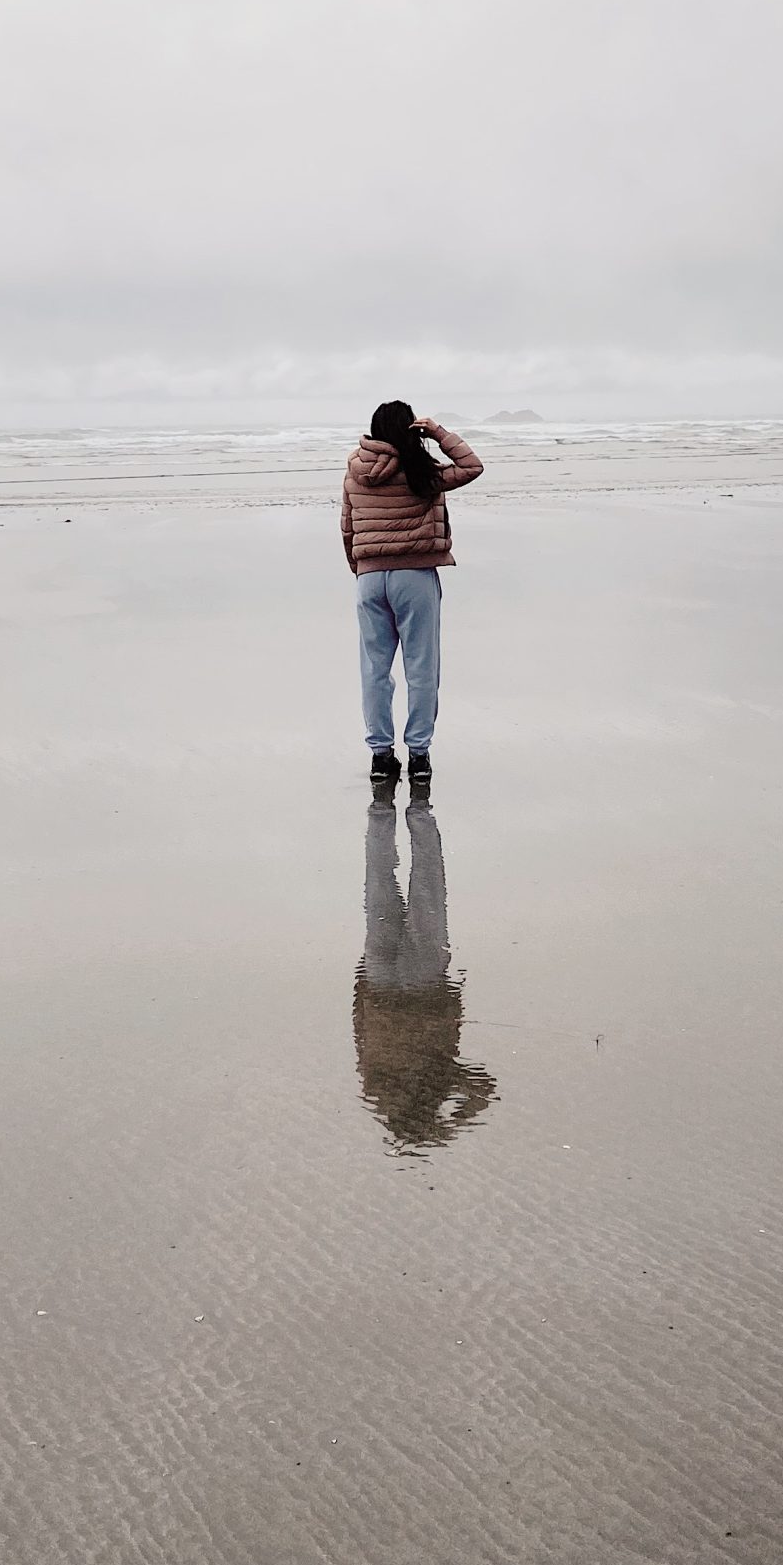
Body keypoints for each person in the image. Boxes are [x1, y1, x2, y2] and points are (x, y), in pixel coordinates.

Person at [341, 401, 483, 784]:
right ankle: (419, 755)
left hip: (370, 579)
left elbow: (348, 527)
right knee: (421, 668)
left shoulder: (355, 470)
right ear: (411, 431)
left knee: (374, 668)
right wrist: (437, 431)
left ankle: (380, 755)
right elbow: (472, 467)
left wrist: (362, 570)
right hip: (415, 576)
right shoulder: (421, 471)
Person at [353, 786, 494, 1152]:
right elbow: (359, 1032)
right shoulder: (377, 1086)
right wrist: (361, 984)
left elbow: (483, 1091)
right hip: (384, 982)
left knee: (426, 881)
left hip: (421, 982)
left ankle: (417, 811)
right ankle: (387, 810)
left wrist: (451, 1127)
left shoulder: (435, 1079)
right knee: (380, 877)